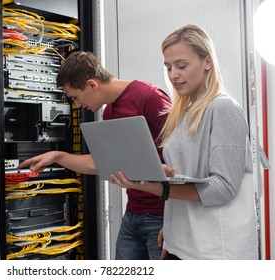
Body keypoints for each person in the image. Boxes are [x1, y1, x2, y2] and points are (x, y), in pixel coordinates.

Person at [111, 24, 258, 260]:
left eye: (181, 66)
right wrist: (171, 229)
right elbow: (186, 176)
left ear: (207, 62)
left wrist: (156, 187)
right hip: (182, 242)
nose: (173, 75)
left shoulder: (223, 108)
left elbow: (223, 188)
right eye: (168, 67)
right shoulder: (182, 114)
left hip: (214, 251)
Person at [17, 51, 171, 260]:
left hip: (161, 216)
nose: (77, 105)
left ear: (92, 84)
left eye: (75, 97)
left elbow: (183, 157)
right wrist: (57, 156)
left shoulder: (149, 97)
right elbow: (101, 163)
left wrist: (174, 224)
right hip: (133, 214)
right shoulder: (109, 113)